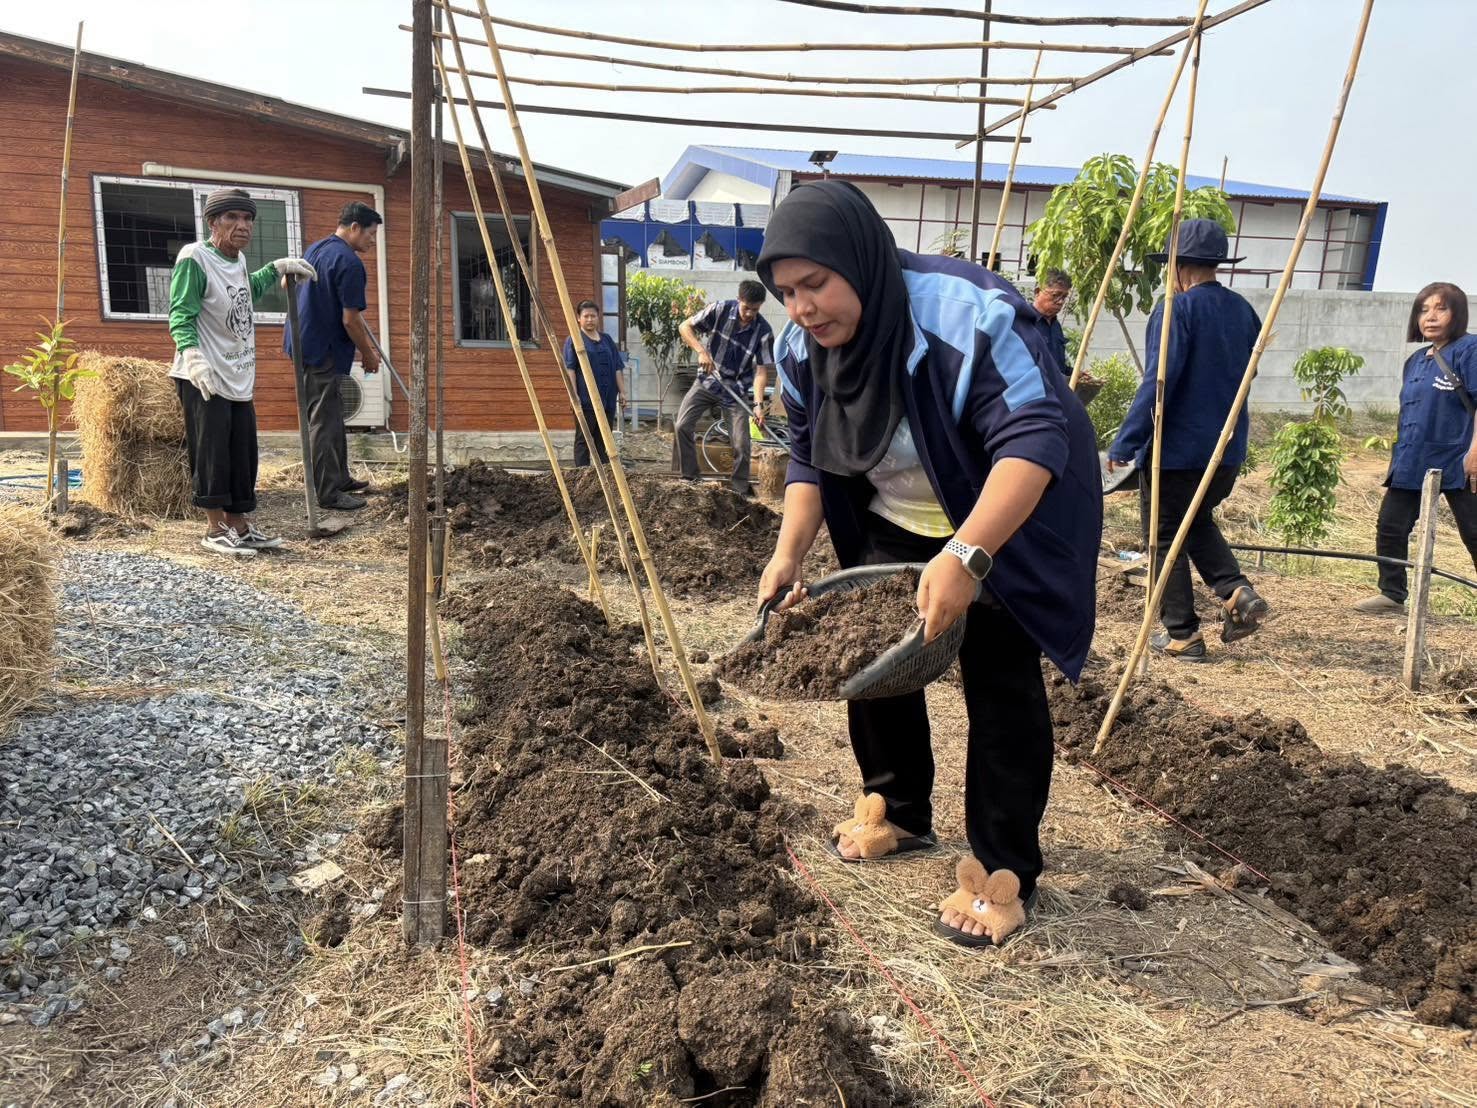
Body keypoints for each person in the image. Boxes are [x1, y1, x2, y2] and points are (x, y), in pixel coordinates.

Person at [754, 181, 1101, 947]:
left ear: (860, 261)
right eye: (786, 292)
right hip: (896, 517)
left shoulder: (967, 314)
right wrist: (787, 553)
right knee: (870, 662)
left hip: (1003, 513)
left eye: (816, 283)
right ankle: (899, 810)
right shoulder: (798, 350)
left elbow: (1035, 438)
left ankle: (1003, 869)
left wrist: (969, 554)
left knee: (1000, 682)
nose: (803, 307)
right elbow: (808, 459)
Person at [1107, 219, 1271, 661]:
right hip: (1226, 451)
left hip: (1177, 454)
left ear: (1177, 266)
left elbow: (1160, 383)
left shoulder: (1175, 309)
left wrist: (1125, 443)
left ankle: (1183, 634)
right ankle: (1236, 592)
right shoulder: (1244, 311)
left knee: (1163, 538)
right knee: (1195, 522)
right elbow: (1246, 375)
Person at [169, 188, 316, 557]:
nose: (243, 225)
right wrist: (192, 355)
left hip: (236, 371)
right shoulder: (195, 258)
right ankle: (215, 529)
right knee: (212, 451)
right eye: (232, 217)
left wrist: (275, 269)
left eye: (248, 218)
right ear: (213, 222)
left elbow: (241, 295)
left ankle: (240, 525)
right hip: (204, 374)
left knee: (242, 450)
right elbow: (180, 312)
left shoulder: (238, 260)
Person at [1354, 282, 1477, 613]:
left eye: (1441, 308)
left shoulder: (1470, 350)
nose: (1431, 317)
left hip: (1459, 459)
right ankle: (1392, 594)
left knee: (1474, 531)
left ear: (1458, 313)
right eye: (1424, 309)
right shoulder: (1415, 361)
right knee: (1391, 526)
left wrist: (1475, 454)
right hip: (1413, 459)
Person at [285, 201, 384, 511]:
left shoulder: (317, 248)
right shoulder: (350, 263)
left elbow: (286, 282)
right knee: (324, 421)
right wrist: (368, 354)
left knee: (334, 414)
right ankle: (328, 493)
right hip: (321, 350)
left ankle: (340, 477)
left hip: (304, 342)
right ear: (354, 227)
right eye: (370, 233)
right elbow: (350, 320)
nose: (372, 240)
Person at [674, 279, 775, 495]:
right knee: (682, 425)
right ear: (739, 299)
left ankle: (738, 491)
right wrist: (701, 351)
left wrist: (758, 405)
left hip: (736, 391)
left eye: (755, 310)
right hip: (708, 381)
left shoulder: (763, 331)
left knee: (741, 444)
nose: (749, 314)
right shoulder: (719, 310)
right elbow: (685, 326)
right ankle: (690, 478)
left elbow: (761, 371)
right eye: (746, 307)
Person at [563, 300, 626, 466]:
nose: (590, 319)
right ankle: (582, 474)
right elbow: (570, 369)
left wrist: (623, 392)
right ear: (579, 318)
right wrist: (574, 395)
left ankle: (606, 473)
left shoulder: (607, 340)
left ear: (598, 318)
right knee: (584, 438)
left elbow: (617, 367)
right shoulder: (574, 340)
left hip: (608, 399)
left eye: (593, 316)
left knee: (604, 439)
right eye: (586, 316)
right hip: (586, 400)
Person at [1031, 268, 1072, 373]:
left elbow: (1058, 367)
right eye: (1055, 295)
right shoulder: (1024, 322)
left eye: (1064, 297)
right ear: (1037, 292)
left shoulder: (1055, 325)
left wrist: (1075, 374)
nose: (1060, 302)